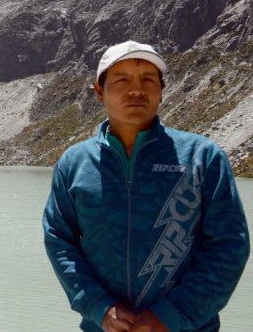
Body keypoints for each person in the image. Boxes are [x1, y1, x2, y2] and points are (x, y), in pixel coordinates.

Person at [42, 40, 250, 331]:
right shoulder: (74, 163)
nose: (136, 89)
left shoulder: (202, 157)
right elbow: (59, 241)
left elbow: (229, 246)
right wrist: (98, 306)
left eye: (148, 79)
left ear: (161, 91)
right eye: (122, 79)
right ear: (99, 92)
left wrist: (170, 315)